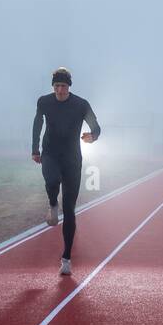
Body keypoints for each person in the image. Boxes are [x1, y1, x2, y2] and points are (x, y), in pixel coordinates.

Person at [31, 67, 100, 275]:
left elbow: (96, 125)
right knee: (52, 181)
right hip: (50, 154)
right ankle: (53, 203)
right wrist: (35, 148)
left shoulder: (81, 105)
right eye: (57, 86)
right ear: (52, 87)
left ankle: (66, 258)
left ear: (69, 87)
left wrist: (92, 136)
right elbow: (37, 123)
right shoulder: (44, 101)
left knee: (69, 209)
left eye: (63, 86)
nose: (60, 90)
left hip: (72, 159)